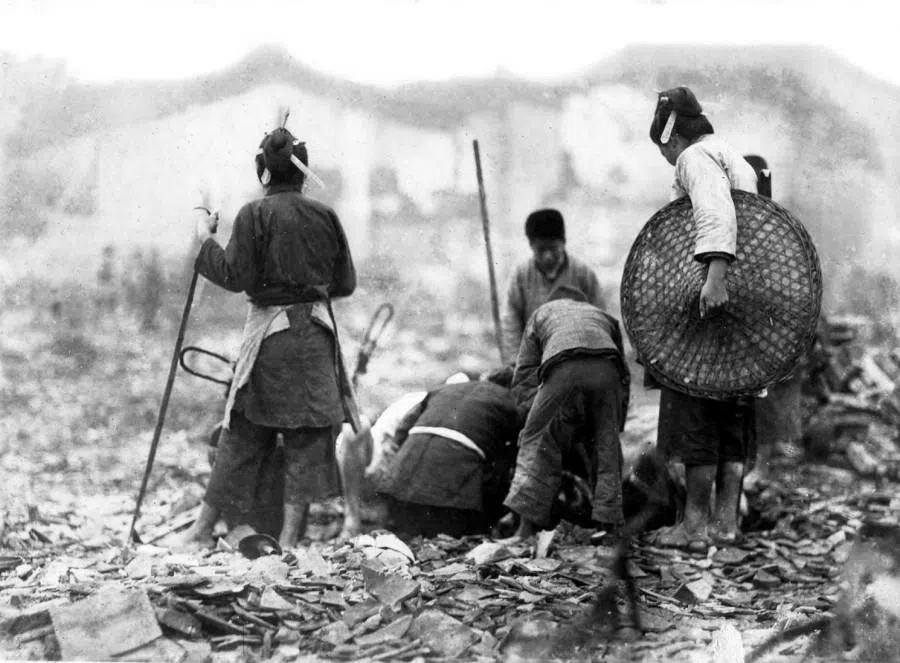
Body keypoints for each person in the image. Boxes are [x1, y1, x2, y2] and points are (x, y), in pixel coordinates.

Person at [176, 122, 356, 550]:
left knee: (241, 429)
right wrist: (306, 285)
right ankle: (290, 539)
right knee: (305, 436)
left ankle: (201, 530)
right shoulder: (326, 216)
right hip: (315, 338)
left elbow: (233, 276)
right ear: (303, 171)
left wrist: (205, 240)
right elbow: (345, 283)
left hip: (273, 339)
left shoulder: (253, 214)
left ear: (264, 172)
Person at [648, 86, 759, 552]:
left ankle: (693, 526)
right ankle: (725, 524)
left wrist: (713, 279)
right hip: (743, 302)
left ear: (672, 138)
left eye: (664, 151)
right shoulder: (733, 157)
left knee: (698, 410)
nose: (667, 159)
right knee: (731, 414)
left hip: (713, 297)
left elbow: (715, 212)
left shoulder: (694, 158)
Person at [502, 284, 630, 542]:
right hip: (607, 368)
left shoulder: (542, 313)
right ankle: (610, 527)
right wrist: (615, 424)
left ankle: (524, 528)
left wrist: (530, 423)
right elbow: (624, 377)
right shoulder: (603, 317)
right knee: (607, 445)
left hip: (564, 363)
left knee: (539, 440)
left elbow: (525, 375)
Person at [373, 371, 520, 538]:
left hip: (398, 486)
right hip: (450, 499)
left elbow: (402, 429)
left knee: (405, 533)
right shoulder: (510, 401)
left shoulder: (443, 389)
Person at [500, 208, 605, 365]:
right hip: (533, 358)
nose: (548, 256)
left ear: (563, 243)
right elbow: (511, 321)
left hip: (575, 357)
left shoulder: (583, 273)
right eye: (541, 249)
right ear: (531, 246)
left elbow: (600, 318)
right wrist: (515, 362)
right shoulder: (521, 275)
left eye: (553, 248)